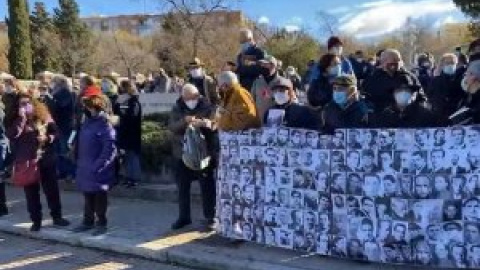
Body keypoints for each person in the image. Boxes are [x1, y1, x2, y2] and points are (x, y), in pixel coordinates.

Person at [6, 92, 70, 231]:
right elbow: (12, 135)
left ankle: (57, 216)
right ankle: (36, 220)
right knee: (31, 192)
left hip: (45, 157)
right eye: (22, 104)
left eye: (28, 103)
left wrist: (48, 138)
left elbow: (56, 132)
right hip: (27, 160)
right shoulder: (14, 119)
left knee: (51, 189)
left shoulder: (43, 115)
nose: (26, 106)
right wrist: (21, 118)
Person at [168, 84, 217, 230]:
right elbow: (172, 126)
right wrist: (185, 121)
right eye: (188, 98)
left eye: (194, 97)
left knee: (207, 186)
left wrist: (202, 123)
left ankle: (210, 216)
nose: (192, 100)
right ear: (183, 97)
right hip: (182, 154)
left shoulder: (207, 106)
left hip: (203, 154)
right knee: (182, 187)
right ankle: (184, 217)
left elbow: (215, 124)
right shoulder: (177, 107)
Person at [72, 93, 116, 236]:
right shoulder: (86, 123)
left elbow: (109, 148)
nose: (86, 110)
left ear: (95, 108)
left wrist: (98, 165)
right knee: (88, 196)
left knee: (99, 197)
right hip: (85, 165)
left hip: (98, 168)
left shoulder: (105, 124)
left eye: (88, 107)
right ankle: (87, 221)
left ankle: (101, 222)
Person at [362, 49, 424, 113]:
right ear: (383, 62)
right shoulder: (373, 78)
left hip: (408, 117)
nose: (395, 65)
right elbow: (367, 99)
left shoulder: (410, 77)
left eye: (398, 61)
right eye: (391, 63)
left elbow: (421, 97)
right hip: (381, 117)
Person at [372, 75, 441, 128]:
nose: (403, 92)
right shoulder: (386, 115)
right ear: (393, 93)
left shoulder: (425, 115)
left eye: (407, 90)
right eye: (399, 90)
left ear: (413, 93)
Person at [113, 80, 142, 188]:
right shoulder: (121, 102)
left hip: (131, 134)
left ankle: (134, 178)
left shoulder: (134, 102)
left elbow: (132, 117)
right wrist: (117, 104)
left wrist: (122, 117)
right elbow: (115, 114)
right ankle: (128, 177)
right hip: (122, 133)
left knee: (132, 156)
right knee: (125, 157)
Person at [51, 75, 76, 181]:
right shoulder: (56, 93)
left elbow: (61, 107)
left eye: (55, 82)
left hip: (65, 125)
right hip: (58, 125)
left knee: (65, 150)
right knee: (58, 150)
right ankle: (62, 171)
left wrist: (52, 100)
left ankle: (70, 172)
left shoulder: (65, 93)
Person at [427, 53, 466, 122]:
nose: (450, 65)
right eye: (447, 63)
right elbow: (430, 95)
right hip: (439, 116)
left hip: (456, 116)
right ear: (442, 65)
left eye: (452, 63)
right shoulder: (436, 79)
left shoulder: (461, 79)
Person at [251, 55, 281, 120]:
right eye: (262, 65)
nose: (262, 66)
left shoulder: (281, 82)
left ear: (273, 66)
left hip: (274, 122)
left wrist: (272, 96)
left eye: (265, 64)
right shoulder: (257, 81)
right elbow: (251, 100)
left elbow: (285, 102)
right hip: (258, 120)